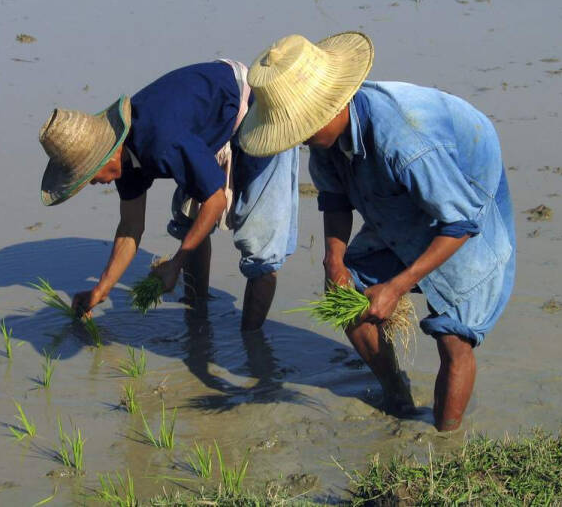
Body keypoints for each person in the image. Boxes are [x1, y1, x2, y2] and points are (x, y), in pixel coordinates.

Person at [238, 32, 515, 431]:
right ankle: (396, 394)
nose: (300, 141)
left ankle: (446, 442)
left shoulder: (405, 143)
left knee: (454, 335)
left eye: (305, 131)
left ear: (331, 108)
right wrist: (333, 260)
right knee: (348, 298)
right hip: (400, 186)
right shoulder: (324, 139)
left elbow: (458, 224)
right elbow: (334, 197)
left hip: (464, 186)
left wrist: (397, 286)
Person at [37, 60, 298, 332]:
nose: (90, 183)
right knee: (189, 224)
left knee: (259, 248)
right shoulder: (125, 162)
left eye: (88, 175)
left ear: (109, 153)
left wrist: (175, 264)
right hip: (210, 121)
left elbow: (215, 200)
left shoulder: (161, 142)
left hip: (263, 112)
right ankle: (198, 315)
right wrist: (101, 289)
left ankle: (252, 345)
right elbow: (130, 227)